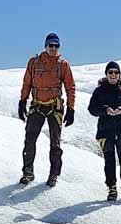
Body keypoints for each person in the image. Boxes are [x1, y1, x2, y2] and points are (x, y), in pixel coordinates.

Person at [16, 32, 77, 187]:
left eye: (56, 46)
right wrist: (22, 101)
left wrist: (71, 108)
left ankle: (54, 174)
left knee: (55, 144)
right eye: (51, 45)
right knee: (30, 140)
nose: (53, 48)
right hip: (37, 105)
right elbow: (26, 83)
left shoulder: (63, 64)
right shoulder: (34, 62)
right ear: (46, 46)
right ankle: (27, 172)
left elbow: (70, 87)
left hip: (54, 107)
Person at [87, 61, 121, 205]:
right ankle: (112, 188)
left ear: (119, 74)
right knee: (109, 162)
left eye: (116, 72)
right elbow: (92, 108)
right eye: (110, 72)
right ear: (106, 74)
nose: (113, 75)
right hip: (105, 131)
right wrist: (105, 110)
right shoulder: (99, 91)